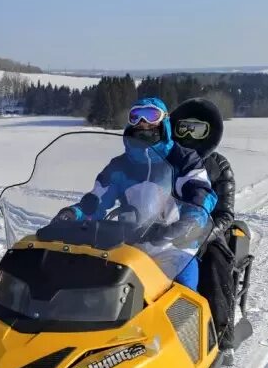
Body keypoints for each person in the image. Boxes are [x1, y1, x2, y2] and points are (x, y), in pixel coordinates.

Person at [56, 97, 217, 290]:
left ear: (164, 121)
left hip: (172, 246)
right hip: (127, 244)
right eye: (135, 116)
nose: (142, 122)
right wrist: (74, 213)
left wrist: (186, 224)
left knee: (183, 290)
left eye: (150, 115)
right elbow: (97, 199)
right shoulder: (120, 165)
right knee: (95, 288)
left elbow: (200, 194)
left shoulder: (184, 160)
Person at [171, 98, 238, 346]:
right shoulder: (167, 158)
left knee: (214, 265)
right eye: (184, 127)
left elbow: (225, 214)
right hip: (164, 229)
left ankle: (223, 338)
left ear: (210, 132)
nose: (188, 134)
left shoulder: (218, 165)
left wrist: (203, 233)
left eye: (196, 129)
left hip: (206, 232)